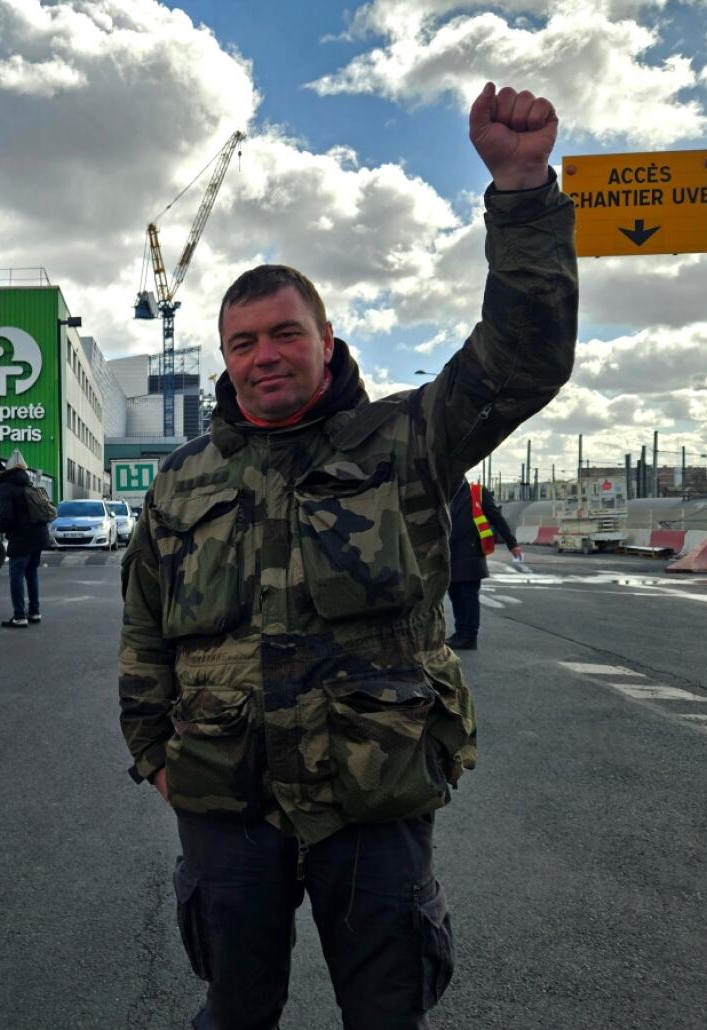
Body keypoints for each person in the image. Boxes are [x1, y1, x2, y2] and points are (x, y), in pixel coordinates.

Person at [118, 82, 576, 1030]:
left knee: (386, 1008)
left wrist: (523, 192)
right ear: (226, 359)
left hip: (372, 788)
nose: (263, 355)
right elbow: (143, 634)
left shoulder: (406, 440)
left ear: (326, 345)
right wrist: (153, 757)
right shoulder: (181, 482)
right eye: (242, 343)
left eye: (286, 333)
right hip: (223, 792)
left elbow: (523, 360)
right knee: (234, 1010)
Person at [446, 479, 520, 650]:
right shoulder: (446, 493)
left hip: (472, 552)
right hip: (450, 553)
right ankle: (460, 632)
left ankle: (469, 636)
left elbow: (497, 518)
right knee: (455, 593)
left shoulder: (477, 492)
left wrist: (512, 544)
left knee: (468, 594)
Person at [0, 450, 51, 628]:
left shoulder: (5, 487)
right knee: (31, 573)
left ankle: (19, 616)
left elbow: (7, 516)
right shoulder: (26, 481)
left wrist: (1, 528)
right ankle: (34, 612)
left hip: (22, 535)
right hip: (39, 534)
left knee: (16, 574)